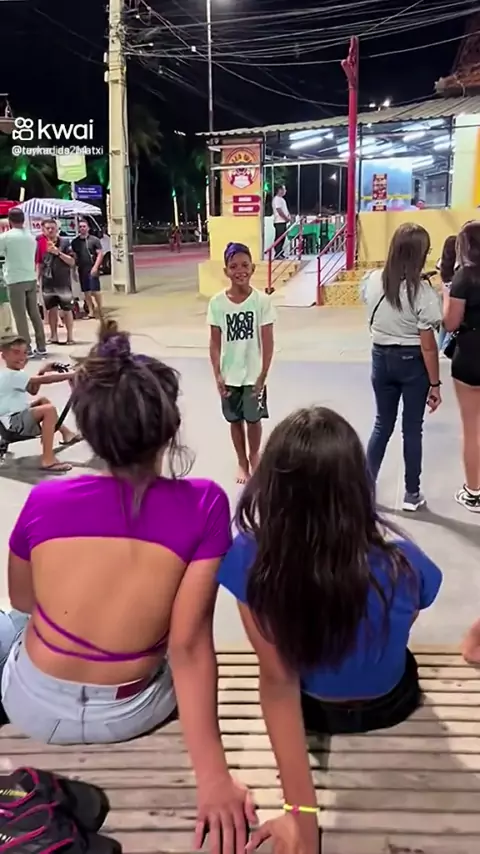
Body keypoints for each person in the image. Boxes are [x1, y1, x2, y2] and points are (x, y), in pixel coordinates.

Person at [2, 320, 255, 854]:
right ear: (168, 429)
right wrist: (214, 778)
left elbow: (24, 602)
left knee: (9, 624)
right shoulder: (205, 504)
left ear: (91, 430)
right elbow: (189, 646)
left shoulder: (44, 500)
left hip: (31, 701)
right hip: (129, 710)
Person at [217, 406, 443, 854]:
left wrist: (301, 816)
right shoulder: (404, 562)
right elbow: (407, 620)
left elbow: (278, 680)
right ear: (358, 486)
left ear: (272, 487)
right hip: (390, 703)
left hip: (314, 708)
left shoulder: (248, 559)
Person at [362, 223, 442, 512]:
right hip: (412, 363)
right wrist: (435, 385)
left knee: (382, 424)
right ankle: (412, 494)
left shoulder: (372, 280)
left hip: (380, 358)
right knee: (412, 429)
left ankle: (364, 489)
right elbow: (428, 346)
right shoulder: (422, 293)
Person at [207, 242, 275, 484]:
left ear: (253, 268)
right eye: (234, 266)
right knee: (235, 420)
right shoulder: (217, 303)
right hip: (230, 375)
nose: (240, 271)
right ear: (226, 271)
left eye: (245, 265)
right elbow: (215, 343)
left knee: (254, 420)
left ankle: (254, 455)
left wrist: (263, 374)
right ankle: (241, 461)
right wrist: (217, 374)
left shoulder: (262, 301)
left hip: (254, 375)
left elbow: (268, 342)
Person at [443, 221, 480, 512]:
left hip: (469, 356)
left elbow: (451, 322)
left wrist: (446, 294)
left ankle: (474, 492)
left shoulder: (463, 278)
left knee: (471, 428)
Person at [0, 336, 79, 473]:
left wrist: (42, 370)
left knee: (43, 401)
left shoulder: (15, 373)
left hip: (13, 418)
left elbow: (33, 390)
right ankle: (48, 459)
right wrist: (71, 375)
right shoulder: (9, 375)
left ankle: (67, 434)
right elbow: (46, 380)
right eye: (16, 352)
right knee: (48, 410)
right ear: (3, 356)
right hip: (12, 424)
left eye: (25, 353)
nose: (22, 357)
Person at [0, 209, 47, 358]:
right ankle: (42, 345)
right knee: (34, 313)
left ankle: (26, 347)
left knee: (20, 316)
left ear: (10, 220)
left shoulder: (5, 237)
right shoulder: (31, 237)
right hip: (30, 277)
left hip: (15, 279)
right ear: (23, 219)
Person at [36, 219, 76, 346]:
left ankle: (70, 336)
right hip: (48, 281)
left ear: (57, 229)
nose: (50, 230)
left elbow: (72, 262)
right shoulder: (40, 243)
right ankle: (53, 336)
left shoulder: (65, 242)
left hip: (63, 282)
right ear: (43, 230)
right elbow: (39, 263)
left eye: (52, 228)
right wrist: (37, 279)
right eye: (47, 228)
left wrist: (58, 253)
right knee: (51, 309)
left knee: (67, 309)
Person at [71, 220, 104, 320]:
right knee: (86, 291)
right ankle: (91, 311)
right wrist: (74, 270)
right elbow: (75, 257)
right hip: (82, 269)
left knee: (95, 290)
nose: (82, 228)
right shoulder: (75, 242)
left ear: (88, 228)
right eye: (80, 227)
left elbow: (100, 254)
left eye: (84, 226)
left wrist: (96, 267)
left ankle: (100, 309)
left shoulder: (94, 240)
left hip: (92, 267)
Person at [437, 234, 456, 354]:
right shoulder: (459, 267)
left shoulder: (442, 264)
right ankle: (444, 350)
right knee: (451, 331)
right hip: (453, 301)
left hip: (444, 300)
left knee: (443, 328)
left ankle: (440, 350)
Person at [272, 186, 290, 259]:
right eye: (284, 189)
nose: (285, 191)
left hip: (283, 221)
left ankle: (280, 253)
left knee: (282, 238)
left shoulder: (282, 199)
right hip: (279, 221)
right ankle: (277, 254)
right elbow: (279, 210)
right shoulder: (277, 199)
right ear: (280, 190)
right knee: (279, 238)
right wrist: (286, 218)